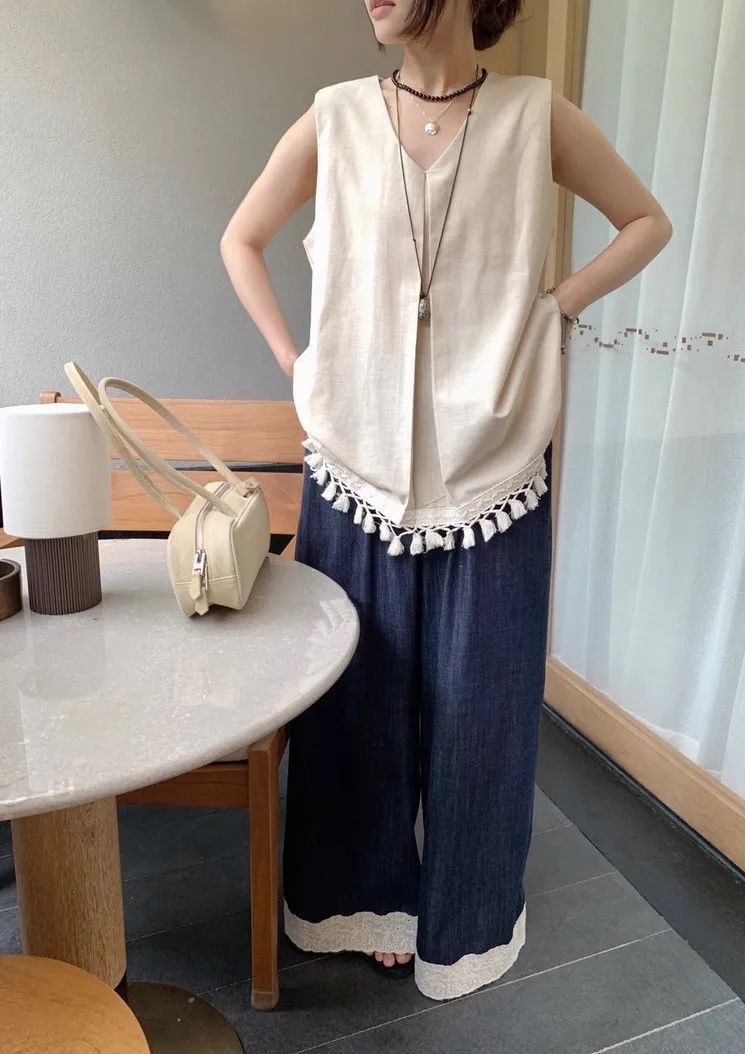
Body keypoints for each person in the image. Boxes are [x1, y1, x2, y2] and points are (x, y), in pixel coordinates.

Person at [221, 0, 672, 1001]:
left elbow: (648, 221)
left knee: (483, 709)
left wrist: (557, 305)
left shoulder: (534, 115)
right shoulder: (336, 115)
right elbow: (241, 239)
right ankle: (360, 905)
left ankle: (464, 916)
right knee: (355, 705)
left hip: (493, 455)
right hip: (357, 462)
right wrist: (299, 366)